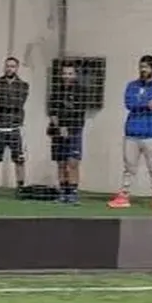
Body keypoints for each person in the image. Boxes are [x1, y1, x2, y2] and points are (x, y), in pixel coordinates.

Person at [108, 55, 152, 211]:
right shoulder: (132, 86)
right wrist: (146, 104)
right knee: (129, 168)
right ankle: (123, 197)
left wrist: (140, 104)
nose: (142, 70)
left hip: (151, 134)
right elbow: (129, 104)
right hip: (132, 132)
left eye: (145, 67)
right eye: (141, 67)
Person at [0, 56, 29, 199]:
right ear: (4, 67)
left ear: (17, 68)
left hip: (15, 127)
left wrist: (3, 101)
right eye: (8, 66)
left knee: (19, 159)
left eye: (12, 66)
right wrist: (8, 102)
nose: (10, 68)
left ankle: (20, 186)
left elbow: (18, 103)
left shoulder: (23, 85)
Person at [47, 63, 86, 204]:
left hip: (75, 131)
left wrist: (69, 128)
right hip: (59, 132)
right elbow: (52, 113)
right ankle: (63, 192)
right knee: (61, 163)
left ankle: (73, 192)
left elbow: (79, 114)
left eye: (70, 73)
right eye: (64, 73)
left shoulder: (81, 92)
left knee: (73, 162)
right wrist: (59, 127)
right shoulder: (56, 92)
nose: (67, 76)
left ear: (75, 75)